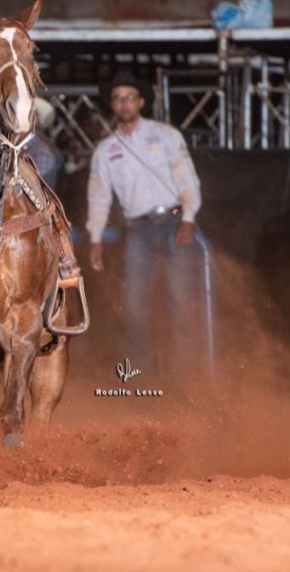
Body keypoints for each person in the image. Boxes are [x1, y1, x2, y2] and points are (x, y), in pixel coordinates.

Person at [86, 70, 204, 377]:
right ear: (112, 105)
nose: (124, 104)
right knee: (135, 307)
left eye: (129, 98)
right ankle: (141, 376)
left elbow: (187, 179)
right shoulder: (105, 149)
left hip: (173, 221)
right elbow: (99, 196)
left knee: (181, 304)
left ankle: (186, 377)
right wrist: (95, 238)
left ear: (141, 101)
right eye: (117, 99)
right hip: (137, 230)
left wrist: (189, 219)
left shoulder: (165, 135)